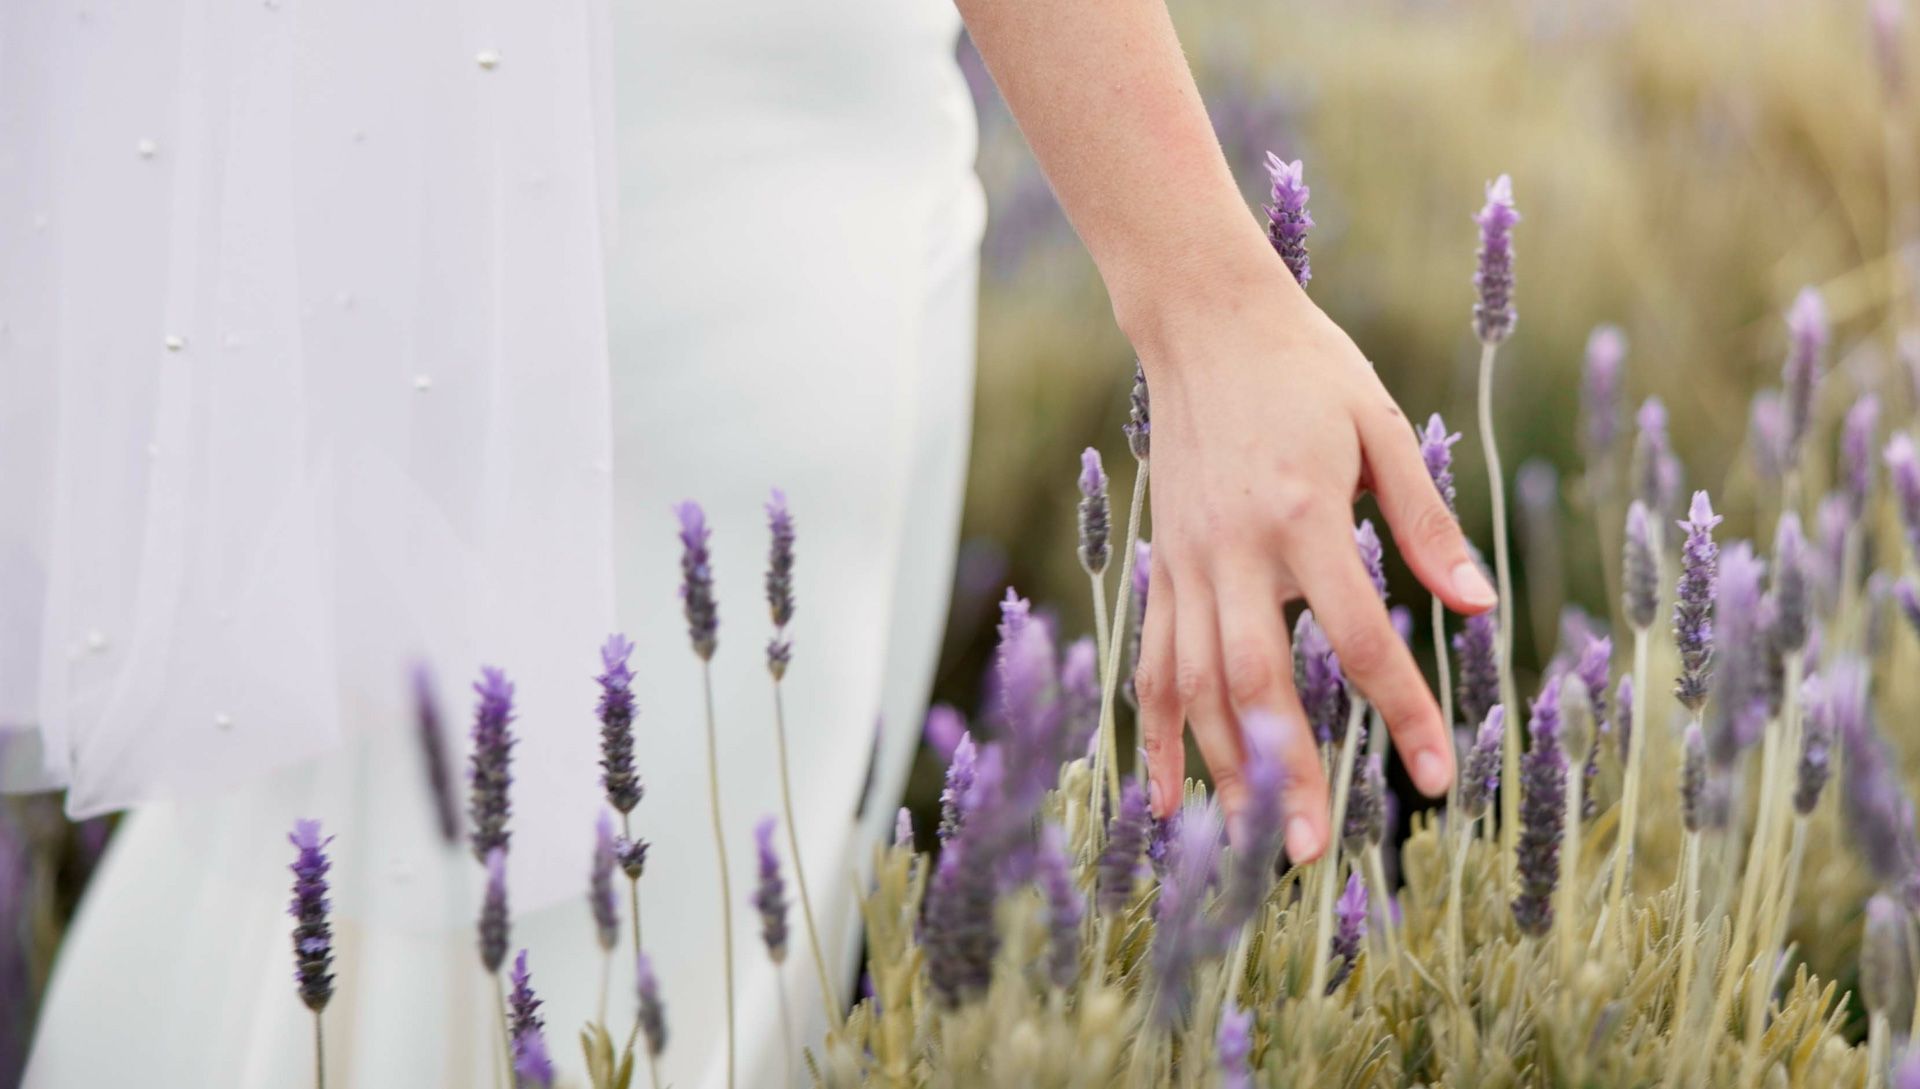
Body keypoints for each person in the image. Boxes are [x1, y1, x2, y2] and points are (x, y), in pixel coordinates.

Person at [1, 0, 1487, 1085]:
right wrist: (1201, 279)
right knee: (541, 933)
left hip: (473, 149)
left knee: (354, 878)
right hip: (700, 178)